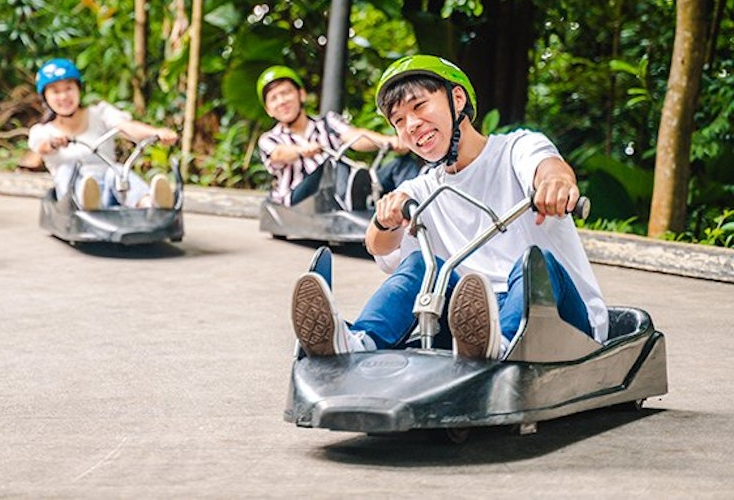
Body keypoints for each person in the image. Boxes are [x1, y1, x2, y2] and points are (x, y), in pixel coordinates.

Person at [290, 54, 609, 360]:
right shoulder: (423, 188)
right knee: (417, 265)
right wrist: (386, 219)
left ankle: (503, 345)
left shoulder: (516, 148)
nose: (411, 125)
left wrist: (555, 184)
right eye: (399, 120)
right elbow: (376, 244)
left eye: (419, 106)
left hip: (565, 320)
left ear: (457, 100)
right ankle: (359, 341)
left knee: (533, 264)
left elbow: (548, 166)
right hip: (472, 319)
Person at [256, 65, 419, 209]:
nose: (282, 101)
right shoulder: (269, 139)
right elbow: (278, 155)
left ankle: (414, 210)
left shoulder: (328, 122)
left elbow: (354, 137)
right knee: (331, 165)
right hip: (299, 198)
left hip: (342, 185)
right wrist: (302, 150)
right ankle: (350, 199)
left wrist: (388, 141)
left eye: (286, 93)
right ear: (269, 110)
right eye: (274, 98)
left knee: (400, 165)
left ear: (301, 94)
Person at [27, 58, 178, 210]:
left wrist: (157, 133)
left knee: (118, 171)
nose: (64, 97)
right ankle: (88, 205)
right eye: (56, 91)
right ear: (45, 97)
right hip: (72, 198)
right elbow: (42, 147)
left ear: (79, 89)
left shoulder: (100, 113)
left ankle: (150, 203)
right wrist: (54, 143)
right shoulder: (43, 131)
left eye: (69, 89)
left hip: (109, 189)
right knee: (66, 170)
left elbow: (127, 127)